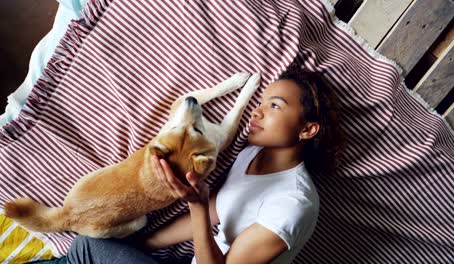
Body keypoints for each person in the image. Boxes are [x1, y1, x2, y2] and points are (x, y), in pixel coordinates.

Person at [45, 66, 343, 264]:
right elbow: (217, 210)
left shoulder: (292, 205)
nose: (258, 111)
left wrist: (197, 205)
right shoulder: (251, 155)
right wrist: (141, 247)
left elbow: (204, 211)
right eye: (261, 102)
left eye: (275, 105)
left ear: (307, 130)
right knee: (88, 250)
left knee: (87, 250)